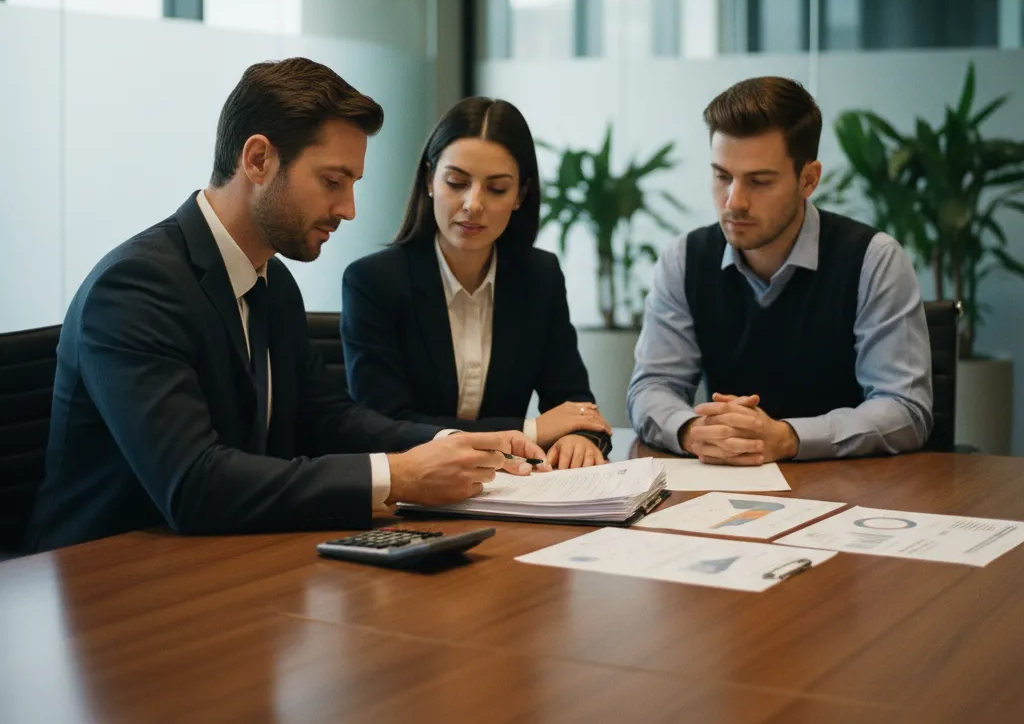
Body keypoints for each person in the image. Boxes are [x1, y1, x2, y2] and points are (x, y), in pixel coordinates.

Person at [26, 59, 547, 552]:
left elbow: (328, 419)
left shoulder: (272, 283)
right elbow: (193, 483)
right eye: (332, 181)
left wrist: (455, 442)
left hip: (225, 561)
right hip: (106, 578)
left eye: (351, 185)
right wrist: (400, 475)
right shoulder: (135, 288)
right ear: (258, 160)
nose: (348, 208)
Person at [627, 76, 933, 463]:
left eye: (759, 181)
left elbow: (906, 410)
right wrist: (694, 432)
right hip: (727, 486)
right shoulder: (684, 259)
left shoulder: (873, 259)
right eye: (722, 176)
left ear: (809, 179)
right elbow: (652, 386)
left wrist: (788, 437)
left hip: (852, 485)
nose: (734, 202)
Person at [342, 97, 612, 470]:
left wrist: (578, 438)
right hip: (412, 488)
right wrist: (529, 430)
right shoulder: (373, 282)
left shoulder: (540, 277)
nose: (473, 204)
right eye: (457, 182)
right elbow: (383, 425)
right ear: (429, 180)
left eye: (497, 188)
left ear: (520, 195)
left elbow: (574, 404)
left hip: (512, 485)